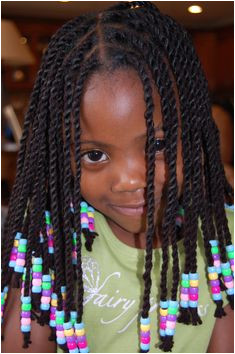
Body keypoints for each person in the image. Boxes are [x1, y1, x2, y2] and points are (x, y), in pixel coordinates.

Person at [1, 2, 234, 353]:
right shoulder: (50, 243)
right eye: (95, 155)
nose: (129, 180)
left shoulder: (222, 240)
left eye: (156, 144)